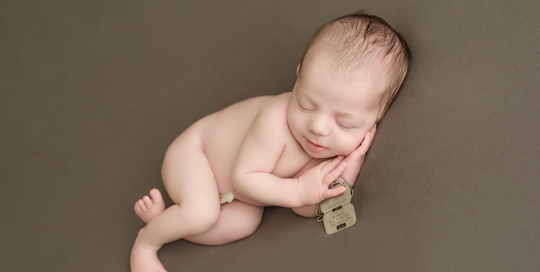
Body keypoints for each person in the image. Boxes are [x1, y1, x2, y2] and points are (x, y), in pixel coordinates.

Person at [130, 11, 410, 272]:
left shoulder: (328, 148)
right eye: (306, 104)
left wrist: (351, 162)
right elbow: (245, 179)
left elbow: (306, 207)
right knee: (202, 211)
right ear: (299, 75)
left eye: (344, 123)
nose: (318, 127)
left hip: (239, 196)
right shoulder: (275, 119)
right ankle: (147, 243)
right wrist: (299, 190)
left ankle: (167, 221)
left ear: (376, 118)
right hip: (195, 155)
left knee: (243, 223)